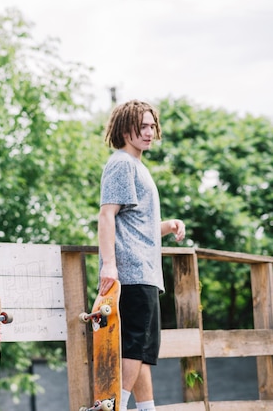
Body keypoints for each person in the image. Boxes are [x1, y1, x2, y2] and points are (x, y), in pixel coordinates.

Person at [97, 100, 186, 411]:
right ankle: (113, 408)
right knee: (134, 349)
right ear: (125, 129)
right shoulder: (121, 163)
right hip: (131, 272)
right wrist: (110, 265)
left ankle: (146, 409)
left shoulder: (137, 166)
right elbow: (107, 215)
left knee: (143, 352)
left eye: (152, 126)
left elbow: (136, 223)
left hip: (145, 271)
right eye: (143, 126)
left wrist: (168, 225)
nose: (150, 132)